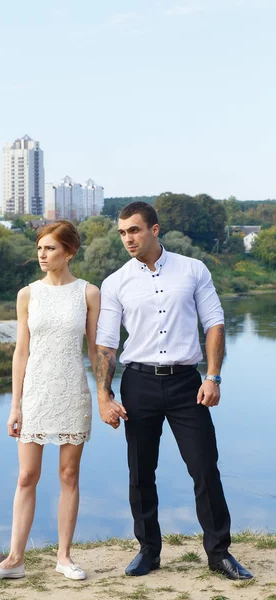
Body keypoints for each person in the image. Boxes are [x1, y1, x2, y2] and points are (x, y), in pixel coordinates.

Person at [95, 201, 253, 581]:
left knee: (204, 468)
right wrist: (104, 396)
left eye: (133, 230)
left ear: (154, 229)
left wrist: (212, 377)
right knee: (140, 472)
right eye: (122, 232)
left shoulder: (192, 269)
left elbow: (214, 322)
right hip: (138, 383)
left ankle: (219, 554)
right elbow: (106, 344)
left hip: (187, 383)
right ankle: (148, 551)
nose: (127, 238)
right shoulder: (115, 282)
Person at [0, 220, 100, 582]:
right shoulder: (27, 293)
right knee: (27, 475)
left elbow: (96, 351)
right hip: (35, 394)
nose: (42, 255)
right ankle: (15, 559)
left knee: (69, 474)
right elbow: (21, 352)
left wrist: (106, 393)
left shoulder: (88, 293)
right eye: (39, 249)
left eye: (50, 248)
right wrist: (15, 405)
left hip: (72, 391)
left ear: (69, 252)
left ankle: (64, 558)